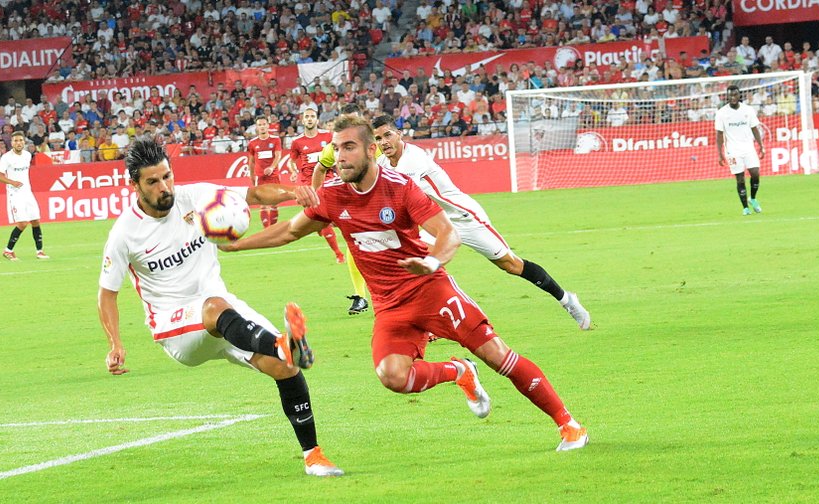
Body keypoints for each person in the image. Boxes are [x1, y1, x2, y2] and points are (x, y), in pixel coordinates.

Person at [223, 115, 590, 452]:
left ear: (370, 150)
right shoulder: (333, 196)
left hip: (432, 292)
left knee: (498, 356)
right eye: (336, 148)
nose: (339, 156)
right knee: (392, 376)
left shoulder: (400, 188)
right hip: (389, 307)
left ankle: (568, 425)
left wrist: (430, 262)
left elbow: (448, 234)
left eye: (348, 146)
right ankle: (459, 371)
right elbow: (288, 231)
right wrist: (237, 245)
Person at [98, 139, 343, 477]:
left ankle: (314, 456)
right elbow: (107, 293)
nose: (164, 187)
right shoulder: (125, 233)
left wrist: (294, 192)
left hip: (225, 316)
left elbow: (255, 195)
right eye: (153, 182)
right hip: (176, 326)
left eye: (167, 176)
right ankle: (284, 345)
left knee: (285, 369)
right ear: (134, 185)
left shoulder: (196, 197)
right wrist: (115, 343)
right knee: (225, 313)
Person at [371, 115, 591, 330]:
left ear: (399, 134)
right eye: (378, 138)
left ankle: (567, 300)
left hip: (464, 217)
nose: (384, 142)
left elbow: (400, 199)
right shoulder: (382, 163)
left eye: (388, 135)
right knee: (419, 265)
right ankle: (429, 323)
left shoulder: (413, 160)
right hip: (438, 223)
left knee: (511, 265)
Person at [310, 104, 375, 315]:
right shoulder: (334, 148)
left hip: (386, 201)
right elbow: (320, 168)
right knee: (354, 244)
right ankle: (360, 297)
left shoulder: (376, 142)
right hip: (355, 203)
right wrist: (317, 199)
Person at [287, 106, 344, 263]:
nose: (310, 119)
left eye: (312, 116)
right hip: (308, 183)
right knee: (320, 216)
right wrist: (293, 171)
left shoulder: (328, 136)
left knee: (336, 215)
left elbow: (338, 155)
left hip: (329, 179)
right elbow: (291, 162)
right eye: (307, 117)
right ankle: (339, 253)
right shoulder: (297, 141)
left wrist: (341, 173)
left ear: (317, 119)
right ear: (303, 120)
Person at [0, 131, 50, 260]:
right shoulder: (7, 157)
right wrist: (12, 182)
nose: (18, 143)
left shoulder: (27, 155)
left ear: (24, 142)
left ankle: (40, 251)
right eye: (16, 141)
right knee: (22, 223)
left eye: (20, 140)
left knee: (36, 220)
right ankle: (8, 250)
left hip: (28, 192)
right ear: (12, 143)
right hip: (15, 194)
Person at [715, 85, 765, 216]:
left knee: (755, 173)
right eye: (730, 95)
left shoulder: (748, 110)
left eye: (735, 95)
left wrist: (761, 145)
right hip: (732, 150)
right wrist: (720, 154)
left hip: (748, 147)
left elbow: (755, 128)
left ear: (739, 95)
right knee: (740, 179)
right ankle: (745, 208)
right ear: (727, 96)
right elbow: (719, 135)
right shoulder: (721, 113)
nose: (732, 97)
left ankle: (752, 199)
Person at [246, 116, 282, 227]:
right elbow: (251, 161)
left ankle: (273, 228)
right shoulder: (252, 143)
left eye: (264, 124)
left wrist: (272, 167)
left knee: (274, 203)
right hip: (260, 177)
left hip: (273, 176)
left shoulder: (275, 140)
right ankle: (267, 230)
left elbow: (278, 155)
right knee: (263, 205)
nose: (262, 127)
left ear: (268, 125)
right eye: (260, 125)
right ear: (257, 127)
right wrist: (251, 175)